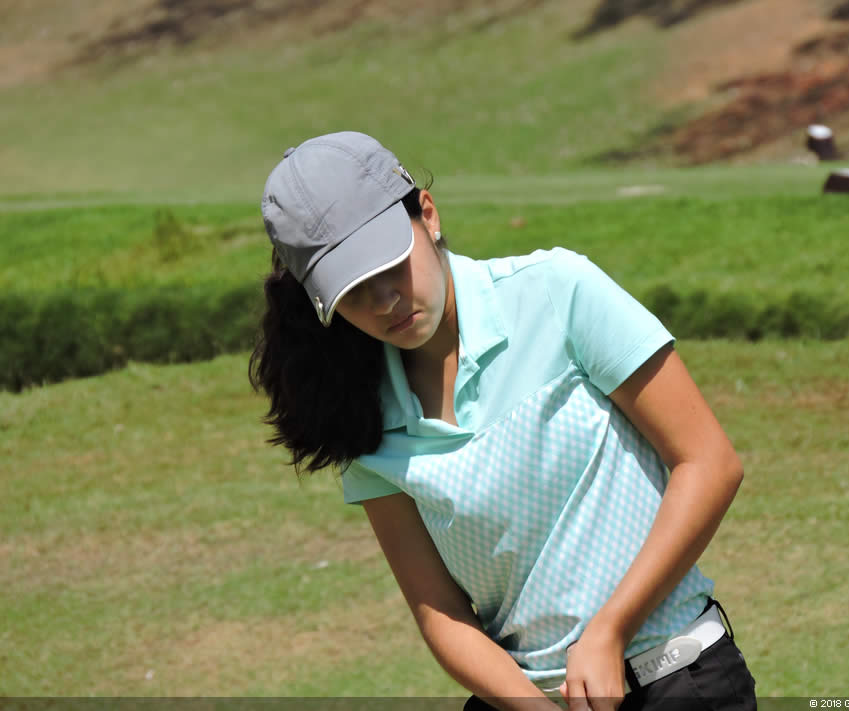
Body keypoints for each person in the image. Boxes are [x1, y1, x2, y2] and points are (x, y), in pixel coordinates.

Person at [250, 131, 757, 711]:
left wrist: (611, 628)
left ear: (428, 215)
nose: (385, 299)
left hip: (679, 679)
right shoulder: (358, 414)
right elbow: (441, 612)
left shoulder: (557, 291)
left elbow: (709, 463)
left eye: (391, 264)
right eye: (354, 289)